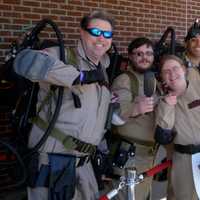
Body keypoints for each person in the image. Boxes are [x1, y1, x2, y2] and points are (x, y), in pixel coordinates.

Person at [13, 10, 114, 200]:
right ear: (82, 32)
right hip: (54, 160)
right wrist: (78, 76)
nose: (102, 38)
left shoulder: (103, 70)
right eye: (95, 32)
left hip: (84, 164)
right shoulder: (62, 55)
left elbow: (96, 116)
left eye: (107, 34)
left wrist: (103, 151)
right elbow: (23, 61)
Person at [110, 37, 157, 200]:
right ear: (130, 56)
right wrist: (135, 108)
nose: (145, 57)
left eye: (149, 53)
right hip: (129, 156)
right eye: (139, 53)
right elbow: (114, 116)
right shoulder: (124, 80)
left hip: (148, 156)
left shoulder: (153, 80)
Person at [155, 54, 199, 200]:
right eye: (166, 71)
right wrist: (167, 106)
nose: (172, 74)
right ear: (162, 77)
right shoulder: (162, 102)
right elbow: (163, 137)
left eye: (175, 68)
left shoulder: (197, 86)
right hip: (183, 160)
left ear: (184, 70)